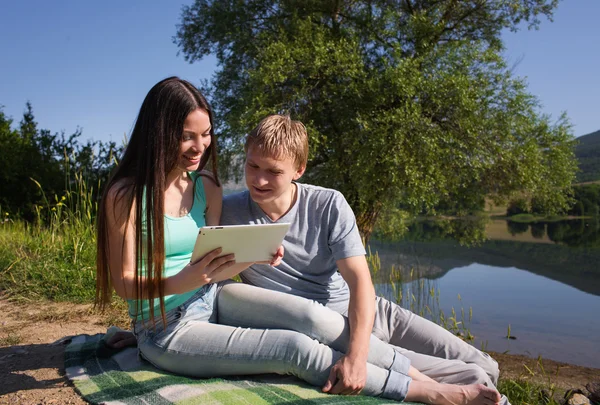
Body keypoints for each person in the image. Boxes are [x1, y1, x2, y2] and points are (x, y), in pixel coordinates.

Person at [97, 77, 502, 404]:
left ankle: (437, 375)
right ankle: (430, 391)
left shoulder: (208, 188)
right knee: (293, 347)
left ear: (298, 170)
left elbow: (217, 264)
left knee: (313, 319)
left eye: (206, 135)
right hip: (168, 326)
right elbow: (127, 284)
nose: (200, 147)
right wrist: (164, 308)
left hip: (220, 301)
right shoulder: (126, 197)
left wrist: (249, 257)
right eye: (188, 136)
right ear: (160, 133)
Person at [220, 115, 509, 401]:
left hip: (374, 313)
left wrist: (356, 359)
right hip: (330, 332)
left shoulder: (328, 204)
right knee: (472, 378)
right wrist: (355, 352)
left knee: (487, 365)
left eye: (273, 171)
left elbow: (360, 282)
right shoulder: (227, 212)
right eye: (252, 165)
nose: (258, 179)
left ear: (299, 169)